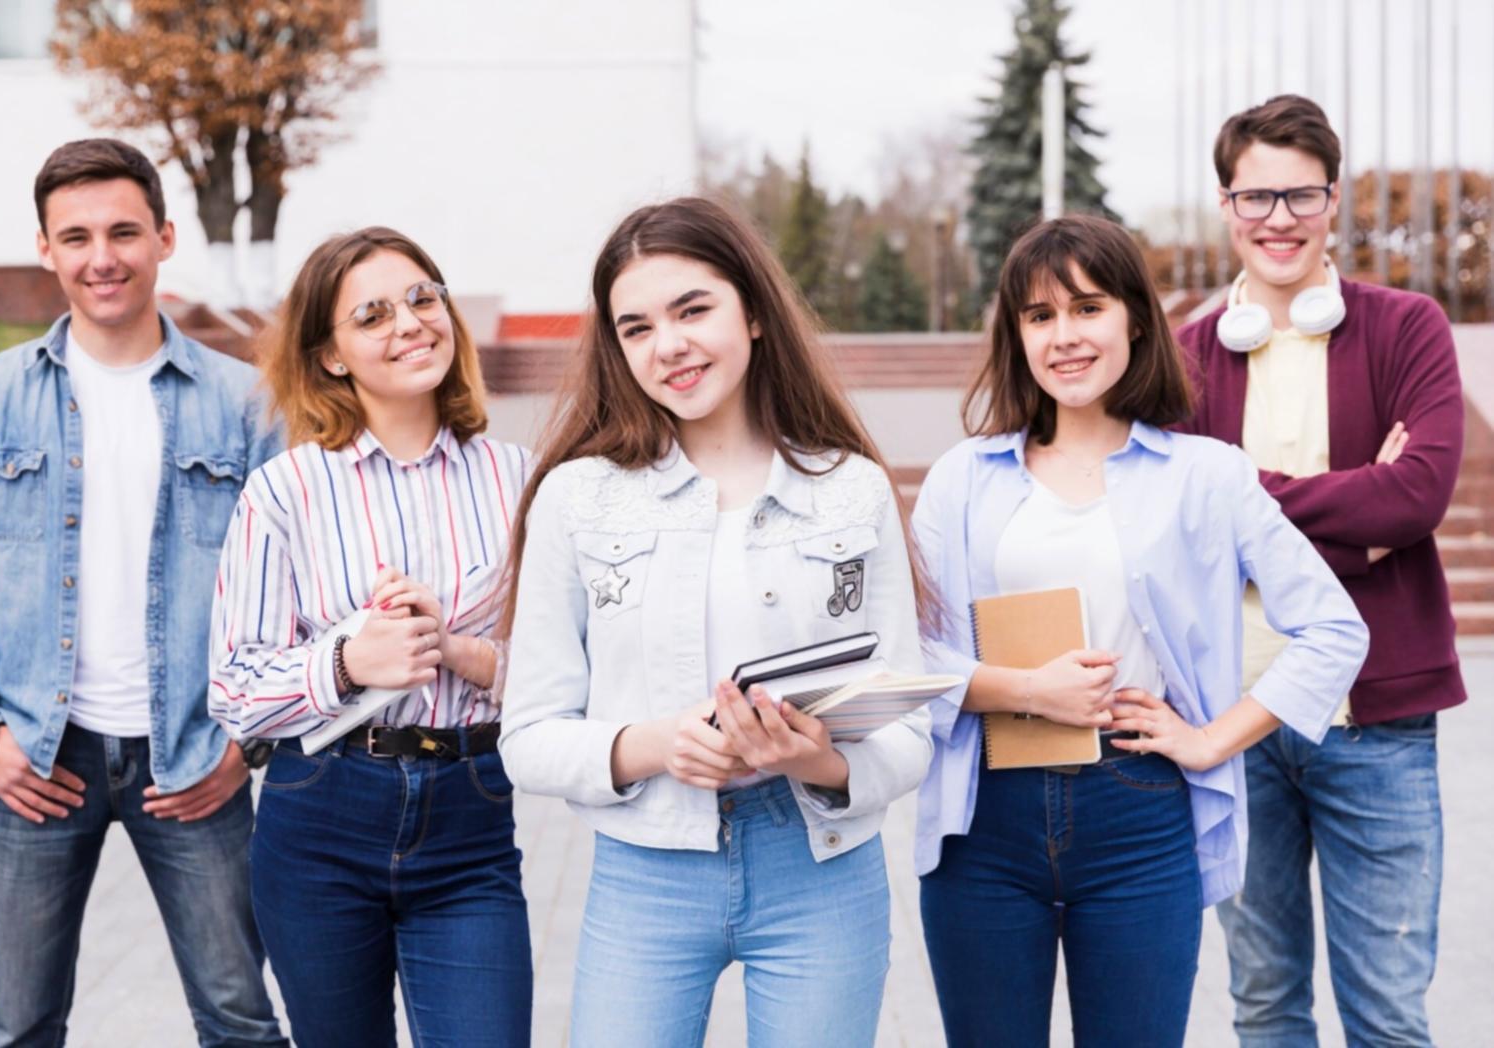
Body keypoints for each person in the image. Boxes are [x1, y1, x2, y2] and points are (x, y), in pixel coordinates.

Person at [912, 213, 1368, 1048]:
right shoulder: (960, 479)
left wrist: (1210, 740)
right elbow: (916, 654)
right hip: (984, 816)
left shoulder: (1205, 475)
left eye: (1086, 308)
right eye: (1038, 316)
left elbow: (1333, 630)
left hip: (1136, 809)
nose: (1064, 337)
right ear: (1015, 336)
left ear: (1132, 317)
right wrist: (1025, 689)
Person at [497, 196, 934, 1048]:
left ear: (756, 314)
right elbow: (528, 735)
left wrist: (818, 760)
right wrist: (658, 746)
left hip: (820, 869)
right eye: (636, 327)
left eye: (692, 309)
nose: (668, 345)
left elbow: (908, 728)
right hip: (644, 874)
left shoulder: (850, 488)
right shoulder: (577, 497)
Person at [0, 139, 286, 1047]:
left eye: (124, 231)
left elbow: (292, 593)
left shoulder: (246, 405)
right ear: (45, 248)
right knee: (19, 1026)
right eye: (76, 236)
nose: (102, 257)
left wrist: (249, 743)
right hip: (37, 760)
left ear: (164, 237)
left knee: (241, 1020)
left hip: (195, 755)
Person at [1177, 94, 1466, 1047]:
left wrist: (1245, 505)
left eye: (1299, 195)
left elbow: (1416, 498)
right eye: (1254, 196)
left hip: (1375, 722)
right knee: (1263, 1006)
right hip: (1233, 715)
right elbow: (1179, 523)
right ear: (1225, 205)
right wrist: (1354, 504)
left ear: (1332, 200)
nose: (1277, 219)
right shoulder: (1181, 358)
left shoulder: (1406, 327)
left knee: (1387, 1014)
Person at [207, 226, 533, 1048]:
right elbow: (235, 691)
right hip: (320, 815)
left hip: (471, 810)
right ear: (331, 356)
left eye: (424, 299)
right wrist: (349, 659)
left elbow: (572, 673)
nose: (411, 324)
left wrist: (451, 649)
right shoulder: (284, 491)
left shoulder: (521, 480)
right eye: (374, 315)